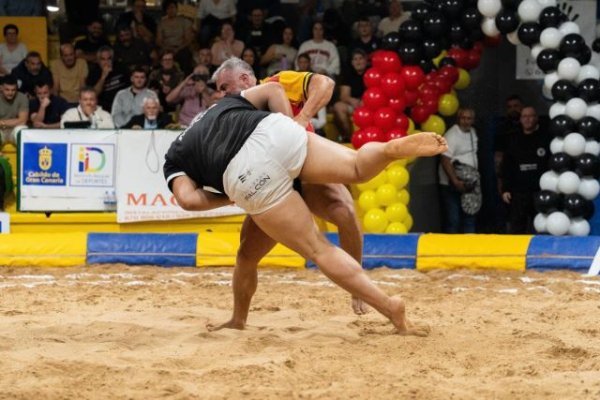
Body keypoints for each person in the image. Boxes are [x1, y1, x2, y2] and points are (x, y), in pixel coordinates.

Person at [163, 81, 447, 335]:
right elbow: (273, 90)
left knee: (318, 249)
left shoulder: (175, 156)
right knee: (357, 167)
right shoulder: (224, 104)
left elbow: (188, 199)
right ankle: (387, 150)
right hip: (274, 132)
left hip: (245, 174)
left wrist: (229, 198)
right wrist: (293, 124)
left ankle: (389, 306)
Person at [214, 57, 366, 315]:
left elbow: (325, 83)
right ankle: (238, 319)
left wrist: (302, 117)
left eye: (224, 86)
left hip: (308, 170)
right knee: (246, 256)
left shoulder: (278, 83)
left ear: (244, 79)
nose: (222, 93)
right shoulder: (231, 115)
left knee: (345, 212)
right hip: (271, 185)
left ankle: (358, 288)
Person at [501, 106, 550, 234]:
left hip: (540, 193)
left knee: (541, 229)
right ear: (520, 120)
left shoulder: (546, 139)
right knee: (517, 229)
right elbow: (507, 166)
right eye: (524, 116)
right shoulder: (513, 140)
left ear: (536, 118)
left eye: (531, 116)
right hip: (518, 193)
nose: (528, 119)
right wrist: (505, 188)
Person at [438, 108, 479, 233]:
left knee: (470, 215)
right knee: (453, 220)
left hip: (469, 183)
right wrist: (455, 181)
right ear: (458, 119)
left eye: (469, 118)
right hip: (451, 184)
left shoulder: (473, 132)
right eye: (463, 118)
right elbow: (445, 160)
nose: (466, 121)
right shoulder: (452, 135)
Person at [333, 48, 367, 142]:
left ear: (365, 60)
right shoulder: (348, 75)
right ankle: (348, 138)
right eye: (355, 59)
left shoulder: (372, 73)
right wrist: (354, 101)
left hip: (370, 106)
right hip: (354, 105)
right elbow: (344, 96)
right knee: (338, 106)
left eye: (360, 58)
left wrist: (365, 102)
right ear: (352, 62)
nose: (358, 61)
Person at [86, 46, 130, 113]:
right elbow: (93, 95)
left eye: (109, 59)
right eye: (103, 59)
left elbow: (130, 87)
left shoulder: (121, 68)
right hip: (104, 109)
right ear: (98, 61)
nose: (106, 62)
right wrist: (103, 77)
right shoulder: (94, 73)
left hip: (122, 105)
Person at [156, 0, 195, 75]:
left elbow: (188, 39)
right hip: (166, 48)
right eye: (168, 8)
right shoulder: (161, 24)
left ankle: (185, 77)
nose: (171, 10)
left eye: (173, 8)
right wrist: (166, 48)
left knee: (186, 55)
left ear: (176, 9)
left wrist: (178, 48)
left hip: (181, 47)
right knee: (161, 56)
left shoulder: (184, 22)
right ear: (165, 10)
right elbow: (158, 40)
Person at [0, 75, 28, 145]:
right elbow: (19, 120)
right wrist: (16, 121)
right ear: (1, 88)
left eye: (13, 90)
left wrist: (2, 122)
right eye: (7, 90)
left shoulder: (22, 97)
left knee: (22, 130)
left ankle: (23, 155)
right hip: (1, 131)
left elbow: (23, 120)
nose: (10, 93)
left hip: (14, 129)